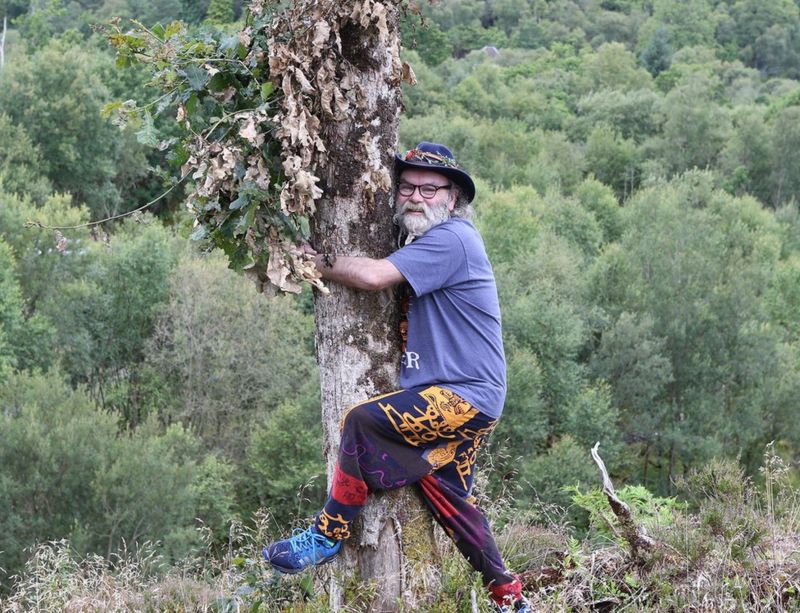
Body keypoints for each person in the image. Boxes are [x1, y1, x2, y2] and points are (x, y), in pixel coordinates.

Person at [263, 142, 530, 612]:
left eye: (430, 188)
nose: (415, 196)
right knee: (446, 495)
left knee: (362, 421)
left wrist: (311, 257)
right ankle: (508, 596)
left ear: (453, 199)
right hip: (466, 397)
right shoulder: (425, 242)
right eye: (406, 186)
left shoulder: (454, 239)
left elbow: (370, 276)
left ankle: (326, 536)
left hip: (463, 394)